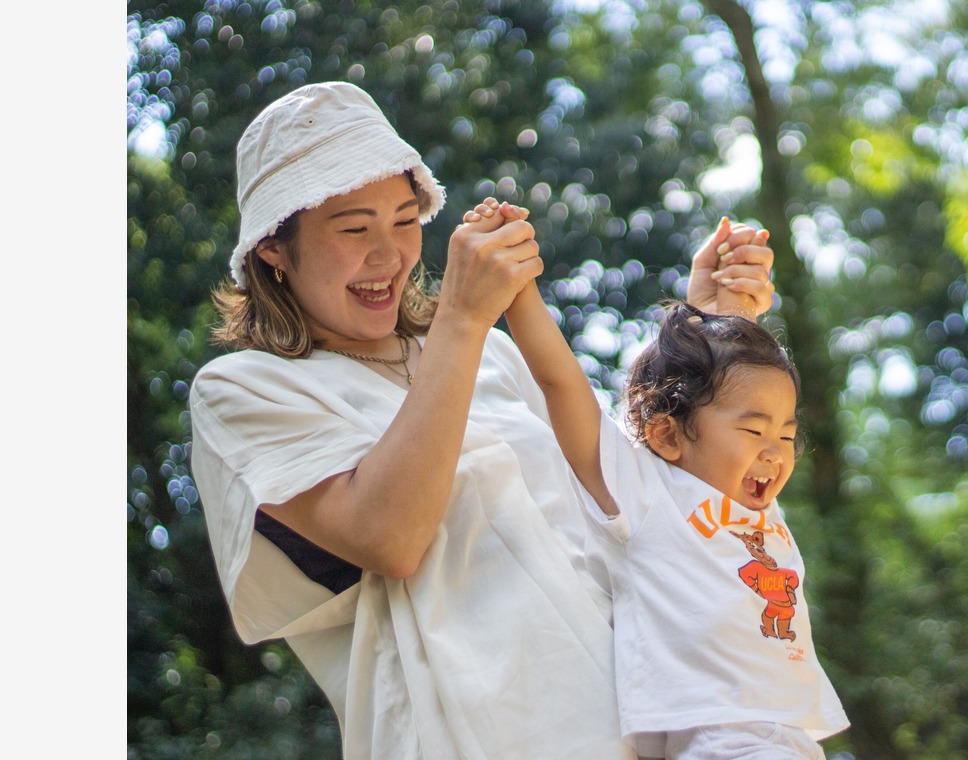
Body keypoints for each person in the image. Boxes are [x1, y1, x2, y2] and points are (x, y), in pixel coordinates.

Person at [188, 80, 776, 760]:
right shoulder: (242, 389)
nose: (389, 255)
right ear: (272, 247)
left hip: (653, 716)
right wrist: (463, 319)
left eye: (406, 221)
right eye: (354, 228)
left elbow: (633, 502)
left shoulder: (490, 354)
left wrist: (708, 336)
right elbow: (391, 536)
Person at [495, 200, 849, 759]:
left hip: (786, 739)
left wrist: (730, 307)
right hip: (719, 740)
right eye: (756, 434)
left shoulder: (756, 508)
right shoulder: (647, 495)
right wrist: (517, 289)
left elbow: (729, 385)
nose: (775, 452)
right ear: (666, 436)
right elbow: (562, 384)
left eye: (785, 434)